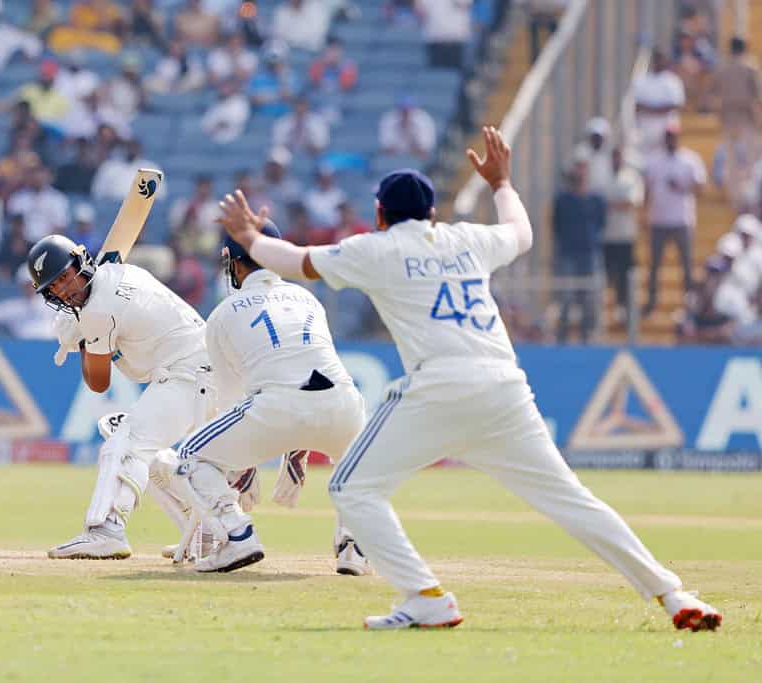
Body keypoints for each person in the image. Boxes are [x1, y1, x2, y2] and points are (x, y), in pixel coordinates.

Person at [216, 125, 722, 632]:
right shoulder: (467, 239)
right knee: (572, 502)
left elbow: (297, 262)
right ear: (433, 212)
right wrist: (502, 183)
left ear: (380, 214)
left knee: (350, 488)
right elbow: (521, 234)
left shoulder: (377, 248)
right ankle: (673, 595)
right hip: (505, 390)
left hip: (438, 389)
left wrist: (250, 239)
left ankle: (426, 596)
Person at [150, 221, 370, 574]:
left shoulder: (223, 313)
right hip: (345, 403)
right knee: (357, 466)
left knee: (189, 457)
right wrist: (296, 453)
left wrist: (245, 465)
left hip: (276, 407)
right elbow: (307, 379)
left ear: (234, 264)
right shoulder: (308, 298)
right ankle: (354, 546)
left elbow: (232, 402)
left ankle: (237, 534)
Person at [26, 234, 216, 559]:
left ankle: (106, 530)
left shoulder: (97, 310)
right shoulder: (119, 275)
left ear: (80, 263)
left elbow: (99, 382)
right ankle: (209, 533)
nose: (62, 289)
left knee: (127, 442)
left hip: (190, 373)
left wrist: (82, 340)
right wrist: (84, 329)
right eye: (53, 288)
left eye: (64, 277)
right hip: (205, 371)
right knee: (135, 443)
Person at [643, 122, 706, 317]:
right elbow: (646, 191)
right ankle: (652, 303)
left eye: (674, 136)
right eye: (668, 136)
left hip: (682, 220)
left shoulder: (690, 160)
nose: (671, 140)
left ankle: (689, 304)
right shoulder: (654, 161)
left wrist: (682, 187)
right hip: (658, 220)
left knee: (686, 266)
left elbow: (701, 188)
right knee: (654, 265)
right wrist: (644, 216)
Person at [552, 159, 606, 343]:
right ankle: (563, 337)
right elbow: (556, 225)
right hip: (568, 254)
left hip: (589, 253)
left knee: (589, 300)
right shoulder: (563, 200)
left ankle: (586, 337)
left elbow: (601, 223)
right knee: (566, 297)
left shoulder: (596, 199)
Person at [711, 37, 761, 205]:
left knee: (731, 161)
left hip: (728, 119)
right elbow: (758, 96)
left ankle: (735, 198)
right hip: (746, 118)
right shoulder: (750, 68)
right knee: (749, 160)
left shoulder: (721, 68)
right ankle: (749, 199)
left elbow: (713, 92)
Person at [601, 146, 644, 324]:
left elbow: (631, 203)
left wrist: (612, 205)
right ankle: (603, 312)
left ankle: (622, 310)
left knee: (625, 277)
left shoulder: (631, 178)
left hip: (626, 236)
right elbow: (600, 204)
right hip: (607, 236)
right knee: (606, 276)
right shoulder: (603, 177)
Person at [0, 264, 57, 338]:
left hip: (48, 346)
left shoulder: (52, 304)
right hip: (21, 346)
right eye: (26, 284)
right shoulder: (12, 307)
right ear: (21, 286)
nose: (30, 287)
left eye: (33, 284)